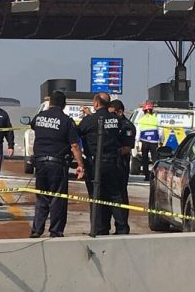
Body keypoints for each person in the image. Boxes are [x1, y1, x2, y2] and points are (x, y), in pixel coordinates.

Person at [29, 91, 85, 238]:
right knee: (57, 198)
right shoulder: (66, 121)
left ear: (50, 103)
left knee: (42, 197)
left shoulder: (39, 117)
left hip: (40, 163)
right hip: (57, 164)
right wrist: (80, 164)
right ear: (64, 105)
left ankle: (36, 230)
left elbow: (33, 125)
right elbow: (74, 145)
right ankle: (55, 231)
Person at [78, 92, 130, 236]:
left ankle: (99, 230)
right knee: (116, 197)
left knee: (97, 198)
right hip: (114, 164)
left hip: (95, 165)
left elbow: (78, 133)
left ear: (96, 104)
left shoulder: (89, 120)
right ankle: (122, 229)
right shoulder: (116, 120)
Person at [109, 99, 136, 206]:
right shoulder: (111, 124)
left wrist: (112, 151)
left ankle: (122, 221)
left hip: (121, 164)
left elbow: (127, 148)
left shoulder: (127, 126)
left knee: (120, 194)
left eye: (112, 113)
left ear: (119, 112)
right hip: (109, 163)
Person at [137, 100, 160, 181]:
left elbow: (138, 132)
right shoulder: (156, 119)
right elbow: (160, 131)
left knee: (145, 159)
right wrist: (161, 140)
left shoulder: (141, 120)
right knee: (155, 159)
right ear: (151, 110)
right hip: (154, 141)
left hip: (144, 141)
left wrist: (136, 142)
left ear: (144, 110)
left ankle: (147, 176)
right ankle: (155, 176)